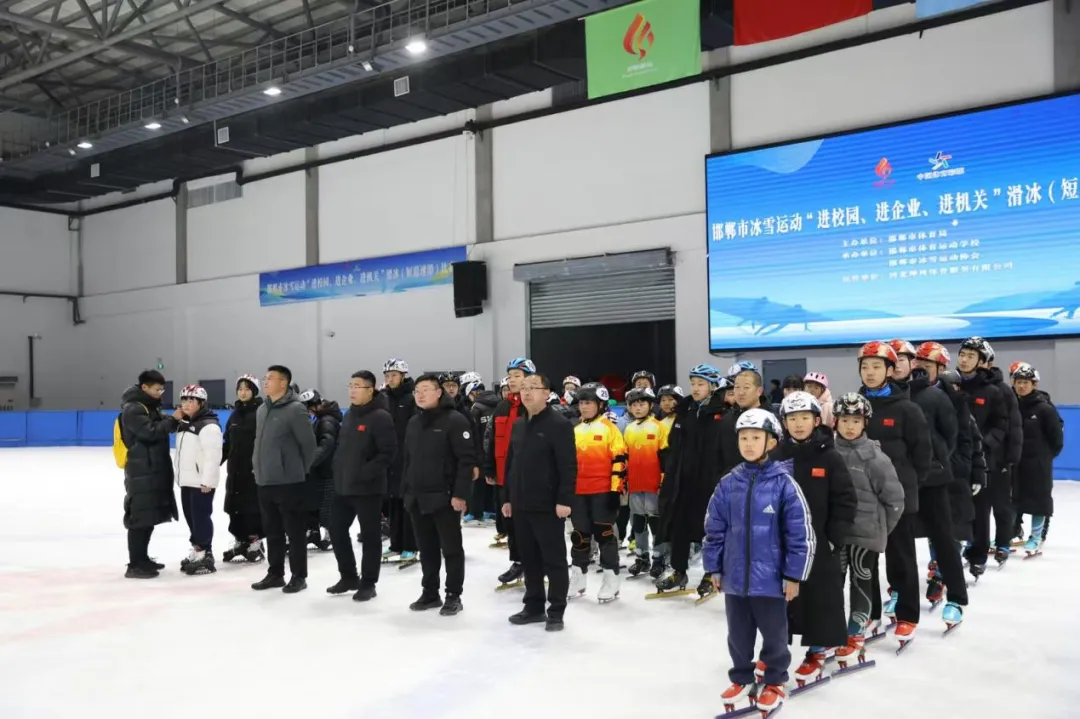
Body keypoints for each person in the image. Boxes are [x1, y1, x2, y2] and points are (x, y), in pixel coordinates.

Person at [706, 409, 813, 718]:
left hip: (771, 579)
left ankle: (775, 679)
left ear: (772, 442)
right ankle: (741, 675)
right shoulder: (728, 483)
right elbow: (714, 529)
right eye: (744, 438)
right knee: (738, 634)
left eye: (756, 438)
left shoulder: (784, 484)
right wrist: (714, 567)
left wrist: (794, 575)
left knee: (774, 634)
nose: (749, 444)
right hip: (735, 576)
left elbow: (800, 534)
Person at [770, 391, 856, 684]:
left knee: (821, 598)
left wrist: (833, 538)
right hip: (783, 543)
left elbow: (846, 500)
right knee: (782, 598)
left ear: (817, 420)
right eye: (792, 418)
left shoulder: (829, 456)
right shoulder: (776, 455)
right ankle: (775, 650)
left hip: (819, 542)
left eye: (804, 417)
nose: (798, 424)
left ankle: (818, 650)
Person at [856, 341, 930, 648]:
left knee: (901, 558)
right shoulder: (855, 407)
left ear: (890, 370)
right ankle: (870, 614)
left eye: (877, 366)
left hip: (897, 499)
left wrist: (903, 486)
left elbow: (922, 456)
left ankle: (907, 615)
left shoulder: (907, 409)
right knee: (865, 561)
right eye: (865, 367)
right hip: (864, 498)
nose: (870, 372)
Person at [831, 393, 904, 664]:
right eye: (845, 420)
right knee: (833, 582)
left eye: (856, 421)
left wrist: (881, 530)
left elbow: (895, 500)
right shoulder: (828, 453)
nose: (850, 426)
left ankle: (856, 634)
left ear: (865, 423)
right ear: (835, 421)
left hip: (866, 535)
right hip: (836, 533)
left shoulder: (875, 457)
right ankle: (832, 630)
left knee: (861, 581)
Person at [901, 340, 968, 627]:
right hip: (902, 480)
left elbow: (954, 436)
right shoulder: (896, 395)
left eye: (926, 365)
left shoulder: (945, 396)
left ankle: (956, 597)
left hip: (934, 477)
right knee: (901, 542)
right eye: (919, 363)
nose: (919, 368)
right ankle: (899, 593)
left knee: (944, 538)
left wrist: (938, 461)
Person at [504, 373, 577, 631]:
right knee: (529, 559)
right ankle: (533, 606)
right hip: (521, 503)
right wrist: (507, 498)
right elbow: (511, 465)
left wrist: (564, 500)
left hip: (548, 505)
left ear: (546, 393)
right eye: (523, 388)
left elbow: (568, 466)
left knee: (554, 560)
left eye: (532, 387)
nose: (526, 392)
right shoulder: (519, 424)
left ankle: (556, 611)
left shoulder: (559, 424)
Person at [401, 374, 476, 616]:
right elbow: (407, 460)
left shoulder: (455, 420)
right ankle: (430, 592)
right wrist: (406, 490)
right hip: (417, 497)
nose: (420, 394)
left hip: (445, 498)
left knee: (451, 549)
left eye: (426, 389)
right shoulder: (413, 422)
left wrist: (460, 494)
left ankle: (453, 595)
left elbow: (466, 460)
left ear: (439, 392)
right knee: (427, 549)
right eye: (417, 391)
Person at [656, 364, 727, 595]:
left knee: (709, 529)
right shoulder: (684, 409)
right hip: (682, 480)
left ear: (712, 386)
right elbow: (673, 445)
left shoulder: (721, 412)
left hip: (709, 481)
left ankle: (711, 573)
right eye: (693, 383)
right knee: (679, 527)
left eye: (701, 384)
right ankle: (679, 570)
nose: (695, 388)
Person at [327, 371, 397, 602]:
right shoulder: (349, 415)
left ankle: (368, 582)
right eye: (350, 385)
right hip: (343, 486)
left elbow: (388, 453)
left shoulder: (381, 417)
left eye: (358, 386)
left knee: (370, 536)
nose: (352, 390)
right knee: (336, 530)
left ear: (371, 389)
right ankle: (348, 576)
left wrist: (364, 473)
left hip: (368, 489)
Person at [252, 365, 317, 594]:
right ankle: (275, 573)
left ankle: (299, 576)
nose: (265, 381)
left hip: (290, 483)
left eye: (270, 378)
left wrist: (297, 471)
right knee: (273, 532)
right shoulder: (262, 409)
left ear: (283, 383)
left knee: (295, 532)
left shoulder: (296, 409)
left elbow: (309, 446)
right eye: (265, 377)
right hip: (264, 481)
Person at [568, 383, 628, 602]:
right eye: (581, 403)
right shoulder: (575, 430)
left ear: (600, 405)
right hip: (578, 492)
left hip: (602, 492)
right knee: (580, 536)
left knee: (605, 535)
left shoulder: (609, 429)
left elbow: (620, 461)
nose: (584, 407)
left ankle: (611, 579)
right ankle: (578, 577)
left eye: (589, 403)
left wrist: (615, 491)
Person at [955, 337, 1010, 573]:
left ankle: (978, 554)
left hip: (982, 460)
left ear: (981, 361)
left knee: (980, 509)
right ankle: (953, 551)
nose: (964, 360)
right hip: (955, 458)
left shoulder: (992, 391)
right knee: (956, 508)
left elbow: (1001, 424)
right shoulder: (950, 385)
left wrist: (984, 444)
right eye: (962, 354)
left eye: (971, 356)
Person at [120, 370, 182, 578]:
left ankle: (142, 558)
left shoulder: (148, 406)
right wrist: (172, 421)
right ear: (144, 387)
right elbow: (149, 431)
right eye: (157, 389)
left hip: (150, 469)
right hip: (141, 471)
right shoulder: (133, 409)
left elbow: (157, 426)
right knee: (139, 518)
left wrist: (172, 420)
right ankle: (135, 564)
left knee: (148, 516)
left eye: (162, 389)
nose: (160, 393)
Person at [484, 358, 536, 589]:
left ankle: (538, 562)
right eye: (510, 375)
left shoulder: (534, 406)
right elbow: (491, 439)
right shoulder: (502, 406)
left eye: (518, 375)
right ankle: (518, 561)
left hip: (529, 476)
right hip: (504, 475)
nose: (512, 379)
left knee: (530, 522)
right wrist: (489, 467)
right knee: (511, 522)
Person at [1011, 363, 1063, 555]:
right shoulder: (1011, 406)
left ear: (1034, 384)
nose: (1021, 386)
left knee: (1039, 501)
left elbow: (1056, 438)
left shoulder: (1045, 409)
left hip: (1038, 463)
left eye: (1026, 382)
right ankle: (1010, 533)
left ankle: (1036, 537)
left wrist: (1044, 456)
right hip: (1015, 462)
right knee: (1012, 500)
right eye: (1018, 382)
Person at [175, 385, 223, 576]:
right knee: (191, 517)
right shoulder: (184, 423)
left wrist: (208, 481)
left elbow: (213, 456)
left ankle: (204, 551)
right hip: (187, 480)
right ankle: (197, 548)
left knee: (201, 517)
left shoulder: (208, 425)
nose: (186, 404)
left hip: (201, 483)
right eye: (184, 400)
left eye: (191, 400)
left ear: (201, 403)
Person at [623, 387, 669, 579]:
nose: (638, 407)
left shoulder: (659, 427)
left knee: (656, 523)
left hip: (653, 484)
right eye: (634, 404)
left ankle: (660, 558)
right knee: (638, 522)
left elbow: (665, 456)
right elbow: (626, 457)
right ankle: (642, 558)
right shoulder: (629, 429)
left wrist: (664, 480)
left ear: (650, 405)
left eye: (642, 403)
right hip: (635, 484)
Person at [222, 374, 265, 564]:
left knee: (252, 506)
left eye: (247, 389)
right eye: (240, 389)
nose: (243, 392)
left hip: (253, 469)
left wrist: (260, 464)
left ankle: (255, 541)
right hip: (235, 469)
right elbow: (227, 442)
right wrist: (216, 460)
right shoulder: (234, 414)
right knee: (236, 506)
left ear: (254, 391)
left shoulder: (261, 412)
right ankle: (240, 540)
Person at [383, 358, 418, 563]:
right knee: (393, 502)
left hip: (408, 457)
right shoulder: (384, 398)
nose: (390, 379)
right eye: (387, 375)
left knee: (407, 502)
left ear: (403, 376)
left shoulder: (412, 397)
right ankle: (395, 543)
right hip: (390, 458)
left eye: (394, 375)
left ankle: (411, 545)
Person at [300, 389, 340, 551]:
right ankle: (314, 531)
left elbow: (326, 445)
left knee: (327, 505)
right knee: (319, 502)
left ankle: (332, 535)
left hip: (327, 470)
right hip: (322, 469)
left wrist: (310, 462)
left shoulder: (326, 421)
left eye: (308, 408)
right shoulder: (321, 419)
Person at [463, 378, 499, 528]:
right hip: (495, 449)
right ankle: (490, 510)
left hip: (480, 450)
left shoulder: (476, 407)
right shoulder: (498, 404)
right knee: (492, 480)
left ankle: (474, 512)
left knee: (477, 482)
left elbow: (473, 430)